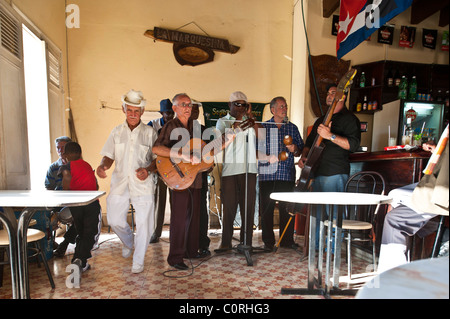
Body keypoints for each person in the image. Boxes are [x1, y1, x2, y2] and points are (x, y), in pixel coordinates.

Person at [97, 89, 157, 274]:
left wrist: (147, 170)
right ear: (124, 110)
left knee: (145, 224)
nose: (133, 114)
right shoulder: (116, 132)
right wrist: (103, 166)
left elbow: (158, 159)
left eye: (136, 111)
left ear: (142, 111)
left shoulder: (150, 133)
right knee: (114, 220)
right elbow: (108, 156)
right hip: (120, 182)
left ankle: (138, 260)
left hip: (143, 184)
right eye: (129, 110)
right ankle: (129, 241)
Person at [298, 83, 361, 249]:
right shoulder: (321, 119)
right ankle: (316, 249)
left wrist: (330, 135)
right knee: (317, 215)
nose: (329, 96)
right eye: (328, 93)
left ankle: (333, 251)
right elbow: (309, 144)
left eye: (333, 93)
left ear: (343, 96)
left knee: (334, 214)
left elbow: (352, 145)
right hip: (317, 172)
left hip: (335, 172)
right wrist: (304, 156)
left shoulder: (350, 119)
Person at [378, 132, 449, 273]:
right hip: (438, 182)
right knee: (394, 195)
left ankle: (394, 277)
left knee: (394, 219)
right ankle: (444, 234)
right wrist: (438, 150)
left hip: (443, 187)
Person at [152, 93, 203, 270]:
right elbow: (157, 148)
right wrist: (181, 155)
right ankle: (175, 258)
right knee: (179, 219)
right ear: (174, 108)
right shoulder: (170, 126)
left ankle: (191, 251)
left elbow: (203, 151)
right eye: (183, 104)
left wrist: (226, 141)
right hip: (178, 178)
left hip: (195, 178)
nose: (187, 107)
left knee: (194, 217)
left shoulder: (195, 126)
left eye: (189, 104)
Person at [258, 96, 304, 251]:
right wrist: (266, 157)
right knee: (266, 210)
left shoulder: (293, 128)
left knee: (287, 209)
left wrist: (294, 149)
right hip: (266, 175)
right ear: (273, 110)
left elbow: (301, 152)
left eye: (286, 107)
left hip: (286, 174)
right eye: (281, 107)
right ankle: (268, 242)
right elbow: (255, 151)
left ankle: (286, 240)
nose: (284, 109)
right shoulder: (263, 127)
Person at [215, 91, 259, 252]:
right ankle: (225, 242)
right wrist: (234, 127)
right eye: (237, 104)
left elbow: (260, 136)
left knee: (248, 207)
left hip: (250, 170)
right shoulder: (223, 121)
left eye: (243, 104)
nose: (240, 107)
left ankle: (246, 243)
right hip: (230, 171)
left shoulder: (251, 121)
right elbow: (218, 143)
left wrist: (249, 115)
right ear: (230, 105)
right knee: (229, 207)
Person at [58, 142, 101, 273]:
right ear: (80, 153)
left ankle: (80, 261)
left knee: (81, 232)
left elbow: (66, 182)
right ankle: (80, 259)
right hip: (91, 203)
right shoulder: (87, 165)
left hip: (76, 205)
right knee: (91, 233)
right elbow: (96, 185)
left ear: (65, 154)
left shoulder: (66, 167)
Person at [44, 136, 77, 258]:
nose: (60, 150)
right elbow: (49, 188)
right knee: (42, 214)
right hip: (58, 203)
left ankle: (65, 243)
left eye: (63, 147)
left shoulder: (77, 165)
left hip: (74, 203)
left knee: (81, 216)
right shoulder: (53, 168)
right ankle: (49, 243)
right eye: (58, 148)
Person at [148, 99, 175, 243]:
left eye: (171, 113)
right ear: (161, 113)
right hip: (159, 167)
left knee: (175, 200)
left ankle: (175, 232)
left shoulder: (178, 125)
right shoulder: (153, 125)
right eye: (167, 113)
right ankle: (156, 232)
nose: (169, 116)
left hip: (175, 168)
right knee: (159, 200)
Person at [191, 102, 212, 257]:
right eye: (192, 109)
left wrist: (209, 164)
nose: (195, 113)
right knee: (184, 212)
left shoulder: (204, 131)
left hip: (200, 177)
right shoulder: (179, 129)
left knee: (201, 211)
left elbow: (210, 153)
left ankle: (203, 244)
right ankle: (185, 245)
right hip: (180, 178)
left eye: (197, 110)